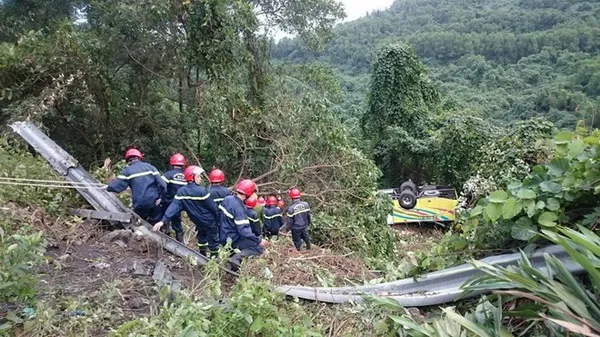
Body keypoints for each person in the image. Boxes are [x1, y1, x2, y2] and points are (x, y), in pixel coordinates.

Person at [152, 165, 220, 256]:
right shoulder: (202, 191)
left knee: (202, 239)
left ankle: (203, 255)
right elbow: (213, 208)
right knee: (213, 242)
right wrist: (219, 220)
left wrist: (162, 221)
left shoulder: (182, 192)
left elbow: (173, 207)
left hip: (198, 222)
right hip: (209, 221)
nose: (200, 179)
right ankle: (214, 259)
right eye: (198, 176)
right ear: (192, 178)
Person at [107, 148, 166, 225]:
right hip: (154, 202)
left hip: (140, 204)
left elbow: (118, 186)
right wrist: (161, 199)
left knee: (140, 225)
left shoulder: (127, 171)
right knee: (155, 225)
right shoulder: (150, 167)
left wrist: (108, 187)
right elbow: (163, 185)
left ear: (128, 160)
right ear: (139, 157)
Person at [219, 179, 267, 270]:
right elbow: (244, 231)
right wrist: (259, 241)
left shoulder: (227, 199)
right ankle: (236, 259)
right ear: (248, 194)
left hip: (222, 234)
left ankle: (234, 263)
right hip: (231, 238)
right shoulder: (239, 208)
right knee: (258, 247)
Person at [159, 153, 187, 242]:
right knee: (177, 222)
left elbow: (161, 187)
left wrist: (161, 198)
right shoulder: (187, 176)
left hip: (168, 202)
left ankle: (166, 234)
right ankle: (180, 242)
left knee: (164, 216)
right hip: (181, 203)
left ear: (172, 164)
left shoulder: (167, 175)